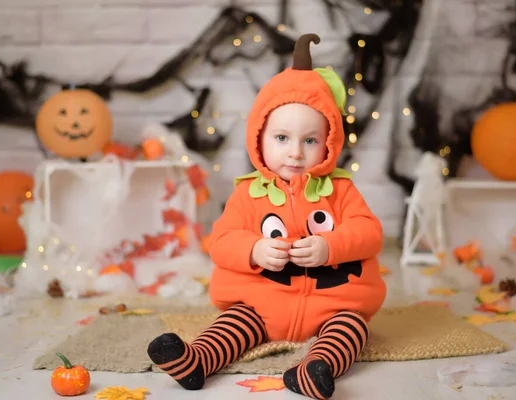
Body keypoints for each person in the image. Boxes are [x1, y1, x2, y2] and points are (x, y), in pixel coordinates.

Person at [147, 33, 387, 399]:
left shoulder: (340, 191)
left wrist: (330, 246)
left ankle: (314, 369)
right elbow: (222, 243)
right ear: (259, 138)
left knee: (352, 329)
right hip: (260, 305)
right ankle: (197, 361)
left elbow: (369, 233)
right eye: (281, 138)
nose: (295, 153)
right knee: (232, 324)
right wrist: (255, 250)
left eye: (309, 140)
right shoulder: (248, 193)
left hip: (333, 305)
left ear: (329, 141)